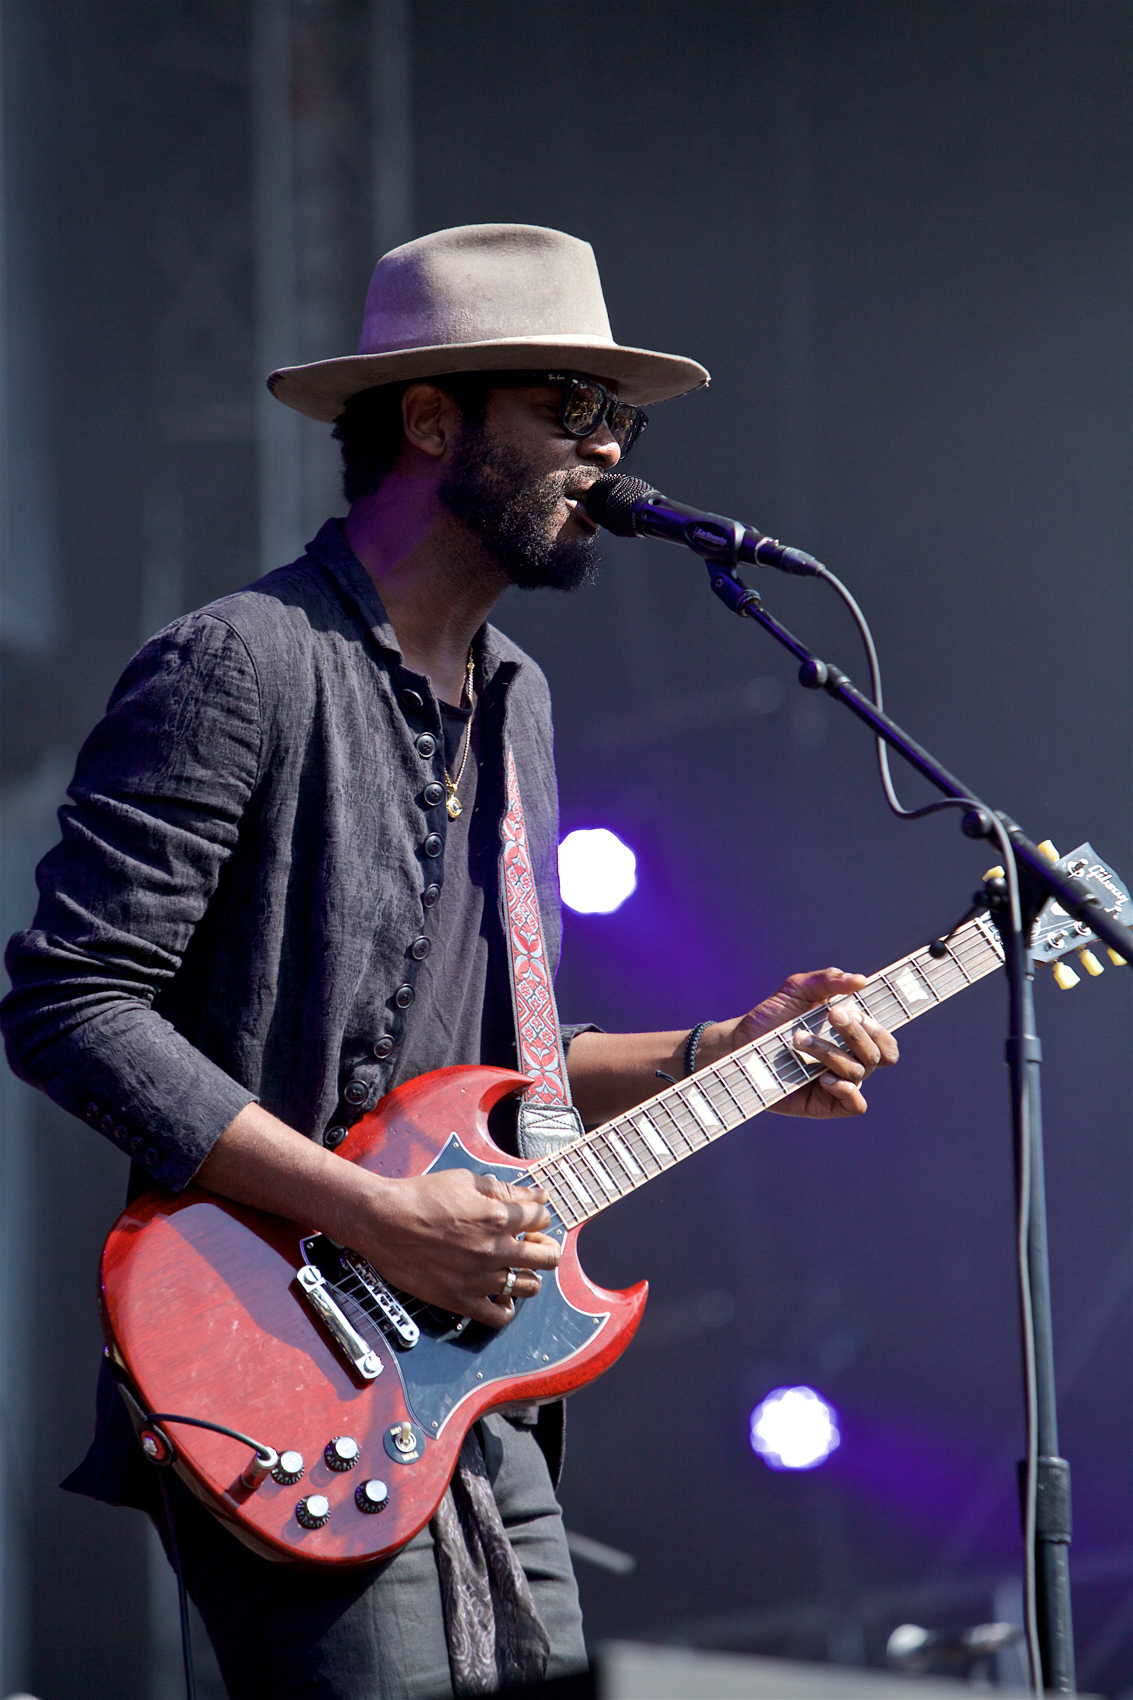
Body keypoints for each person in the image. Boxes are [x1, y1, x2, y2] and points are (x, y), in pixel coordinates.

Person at [1, 223, 898, 1699]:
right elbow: (68, 1001)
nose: (607, 452)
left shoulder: (517, 700)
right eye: (571, 408)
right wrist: (375, 1216)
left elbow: (490, 1070)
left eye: (622, 420)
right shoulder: (242, 662)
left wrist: (716, 1053)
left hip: (465, 1382)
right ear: (431, 418)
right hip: (269, 1351)